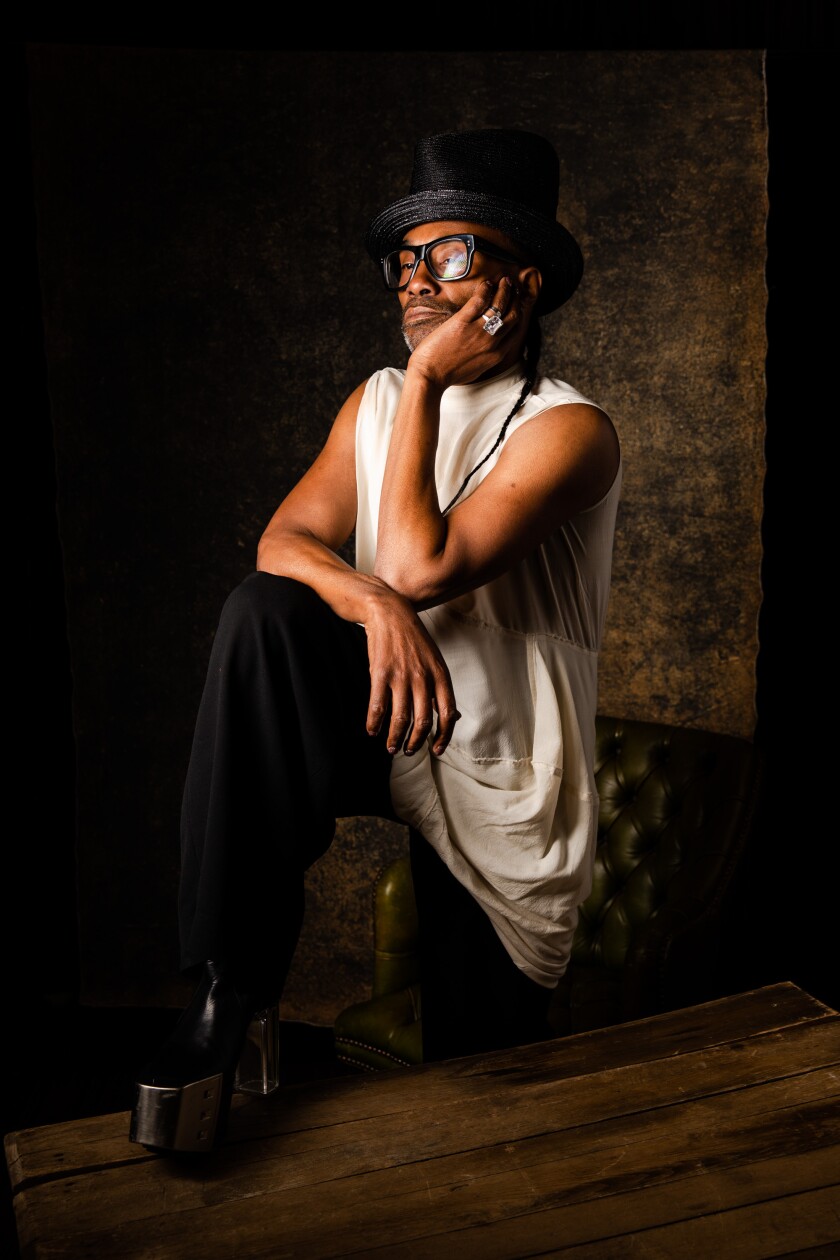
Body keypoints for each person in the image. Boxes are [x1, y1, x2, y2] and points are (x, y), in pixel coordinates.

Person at [129, 127, 622, 1154]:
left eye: (448, 256)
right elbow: (283, 544)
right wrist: (378, 610)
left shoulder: (570, 431)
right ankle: (231, 986)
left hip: (500, 766)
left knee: (470, 1098)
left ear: (518, 286)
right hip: (390, 721)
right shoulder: (380, 399)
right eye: (407, 260)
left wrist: (430, 384)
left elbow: (415, 568)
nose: (415, 281)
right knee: (263, 619)